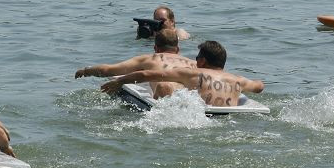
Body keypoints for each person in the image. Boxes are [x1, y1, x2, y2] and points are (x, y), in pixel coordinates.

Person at [100, 40, 265, 107]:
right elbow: (259, 86)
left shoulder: (192, 74)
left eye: (197, 57)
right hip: (227, 119)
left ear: (202, 61)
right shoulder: (239, 81)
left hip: (196, 120)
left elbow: (145, 75)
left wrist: (119, 82)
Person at [76, 29, 195, 98]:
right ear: (178, 49)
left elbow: (107, 70)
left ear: (155, 48)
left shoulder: (150, 59)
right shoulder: (192, 63)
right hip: (191, 99)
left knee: (165, 86)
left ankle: (167, 88)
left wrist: (86, 71)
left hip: (164, 96)